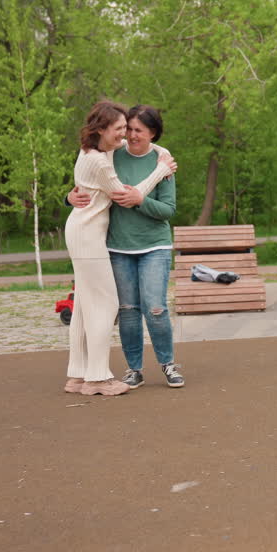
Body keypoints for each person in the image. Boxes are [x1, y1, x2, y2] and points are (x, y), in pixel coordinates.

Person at [63, 100, 175, 397]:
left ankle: (77, 375)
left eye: (129, 130)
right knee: (106, 306)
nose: (125, 136)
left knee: (85, 308)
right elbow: (125, 196)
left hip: (82, 231)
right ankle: (97, 379)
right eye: (120, 130)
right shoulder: (101, 160)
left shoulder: (91, 151)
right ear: (100, 129)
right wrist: (161, 170)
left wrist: (160, 155)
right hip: (88, 235)